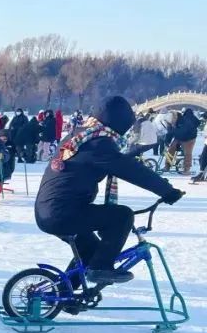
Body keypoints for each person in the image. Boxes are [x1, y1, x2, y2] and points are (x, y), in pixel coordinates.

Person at [34, 96, 183, 285]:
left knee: (91, 250)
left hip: (49, 210)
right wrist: (167, 191)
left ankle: (64, 292)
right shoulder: (98, 143)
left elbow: (116, 160)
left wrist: (131, 154)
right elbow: (130, 169)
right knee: (122, 216)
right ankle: (101, 268)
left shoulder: (81, 136)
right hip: (61, 212)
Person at [165, 107, 198, 175]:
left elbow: (181, 132)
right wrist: (167, 141)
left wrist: (174, 132)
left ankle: (187, 169)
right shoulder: (173, 121)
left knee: (187, 153)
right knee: (171, 149)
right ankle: (167, 166)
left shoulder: (184, 121)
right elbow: (170, 132)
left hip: (189, 138)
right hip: (179, 137)